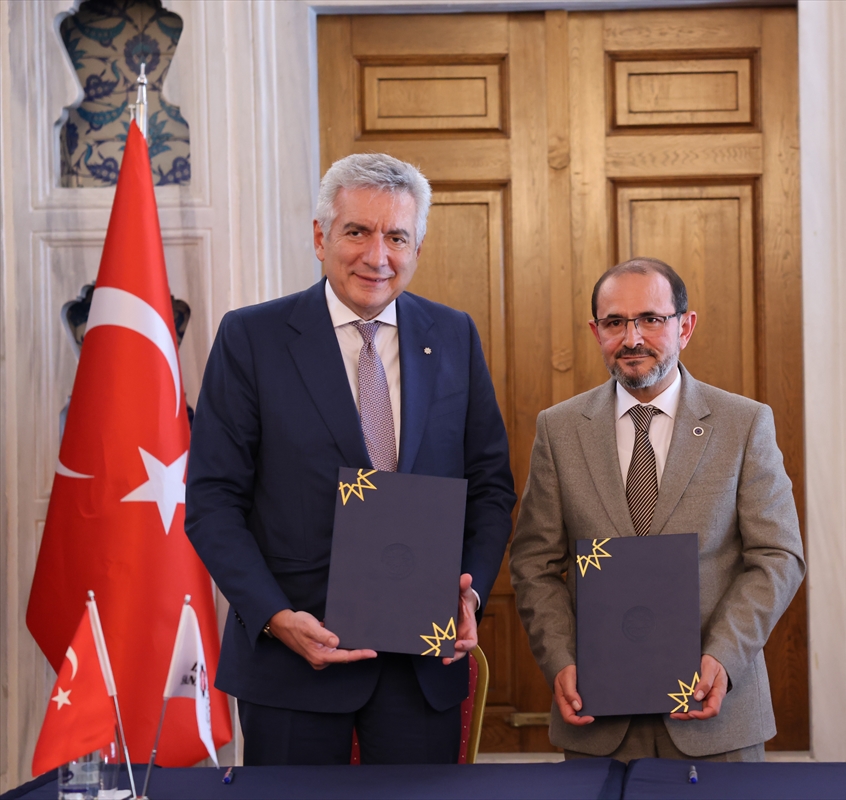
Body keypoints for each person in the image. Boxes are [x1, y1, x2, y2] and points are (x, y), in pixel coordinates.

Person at [185, 153, 516, 765]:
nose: (377, 256)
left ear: (417, 247)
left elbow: (491, 487)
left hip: (421, 666)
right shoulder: (251, 339)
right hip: (291, 667)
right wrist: (274, 616)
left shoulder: (453, 335)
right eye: (357, 231)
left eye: (397, 237)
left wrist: (468, 595)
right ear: (321, 237)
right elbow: (212, 502)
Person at [510, 257, 806, 762]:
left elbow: (779, 556)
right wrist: (560, 658)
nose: (632, 339)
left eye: (651, 319)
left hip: (715, 717)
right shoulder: (559, 430)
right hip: (597, 718)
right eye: (614, 323)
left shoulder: (744, 424)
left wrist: (724, 656)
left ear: (685, 326)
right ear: (596, 331)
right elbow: (533, 563)